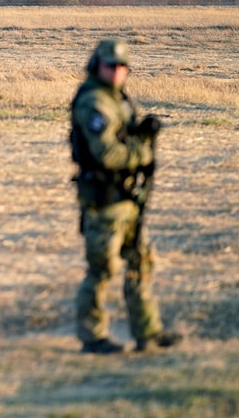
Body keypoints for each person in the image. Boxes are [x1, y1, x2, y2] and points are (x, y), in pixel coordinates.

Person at [69, 38, 182, 354]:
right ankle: (92, 337)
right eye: (111, 66)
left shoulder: (117, 99)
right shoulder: (94, 102)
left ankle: (148, 331)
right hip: (105, 199)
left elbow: (123, 138)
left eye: (122, 67)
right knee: (102, 269)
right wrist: (141, 152)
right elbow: (106, 153)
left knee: (141, 262)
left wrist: (141, 132)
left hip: (127, 197)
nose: (117, 72)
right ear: (97, 66)